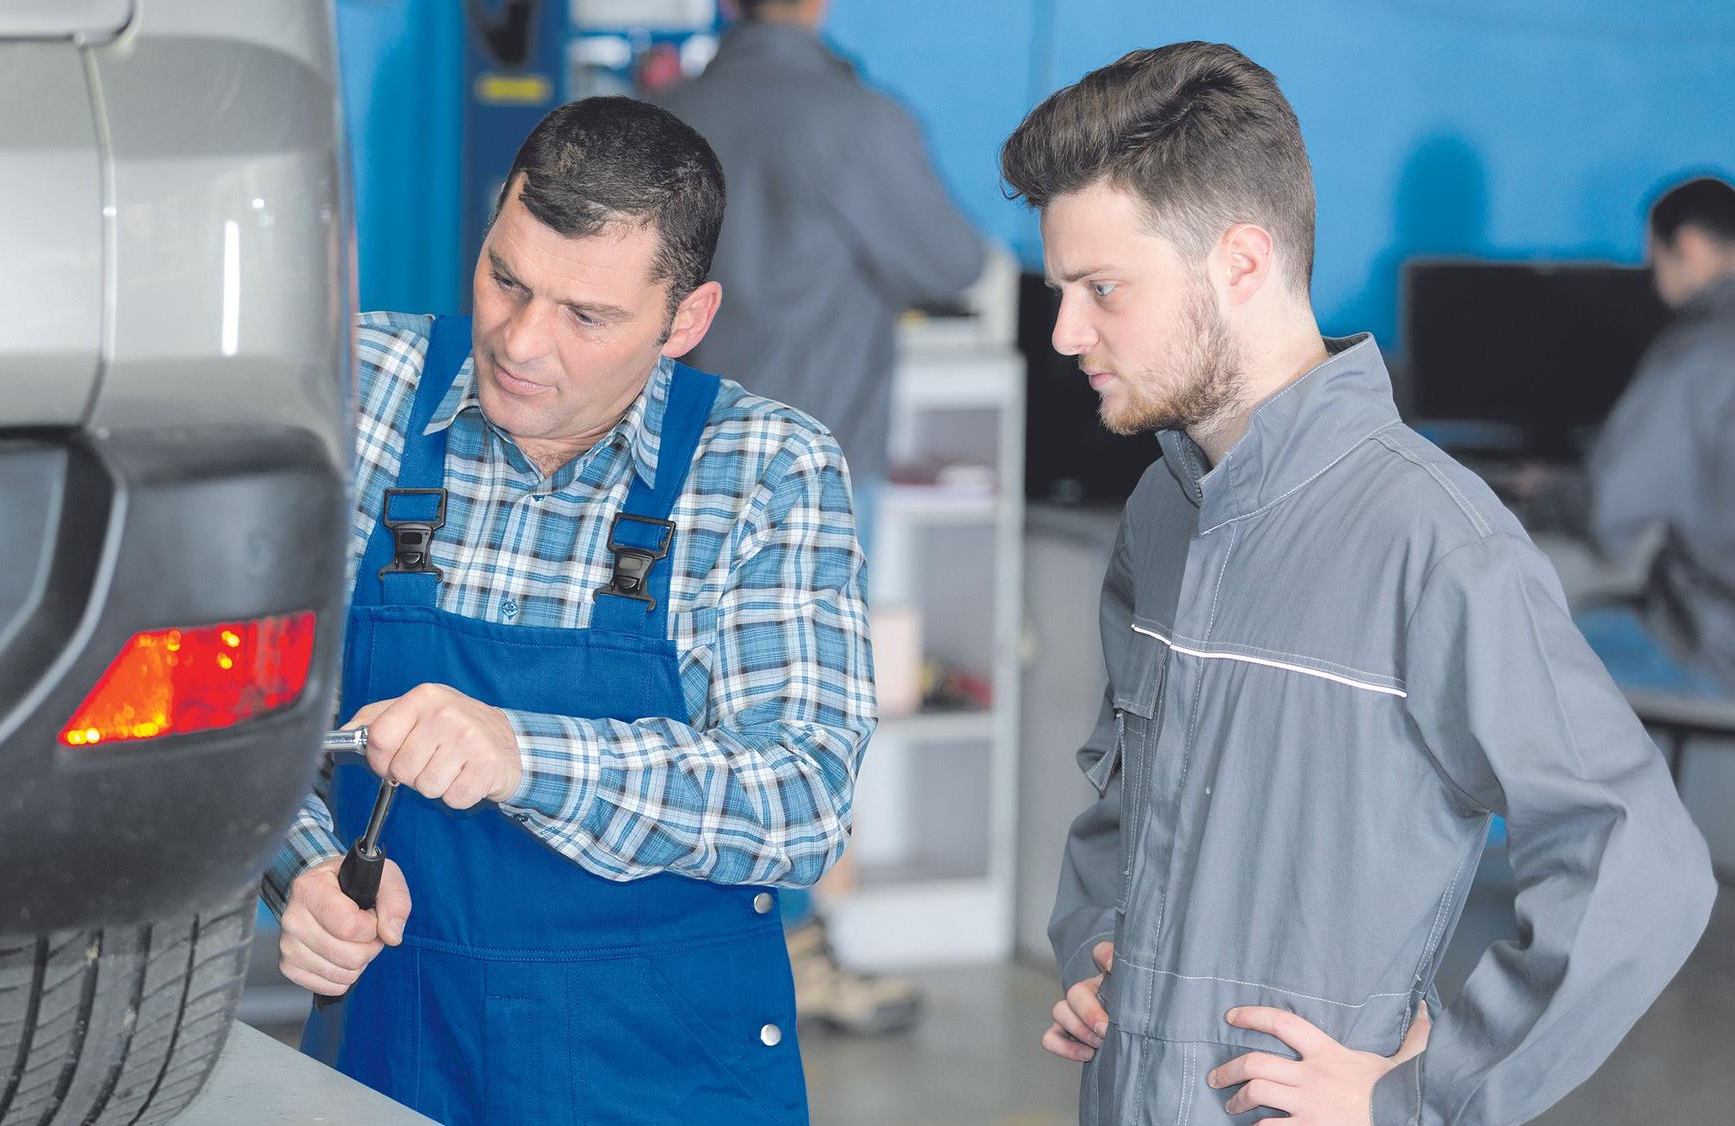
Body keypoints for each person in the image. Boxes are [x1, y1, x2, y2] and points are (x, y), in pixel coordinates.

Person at [1001, 42, 1717, 1125]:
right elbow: (1123, 803)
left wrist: (1421, 1094)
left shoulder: (1434, 541)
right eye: (1061, 289)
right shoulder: (1159, 513)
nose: (1063, 333)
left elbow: (1639, 865)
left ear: (1240, 262)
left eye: (1100, 288)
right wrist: (1098, 947)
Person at [260, 96, 875, 1125]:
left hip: (666, 1074)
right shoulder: (358, 388)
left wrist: (523, 754)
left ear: (686, 319)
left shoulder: (765, 467)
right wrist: (308, 868)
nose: (521, 344)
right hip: (398, 1055)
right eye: (505, 279)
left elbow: (802, 799)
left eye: (586, 316)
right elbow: (244, 713)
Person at [657, 0, 985, 1036]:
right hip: (816, 472)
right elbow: (952, 266)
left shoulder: (671, 111)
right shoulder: (854, 121)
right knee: (797, 723)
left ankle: (703, 954)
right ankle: (791, 958)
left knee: (687, 711)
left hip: (671, 466)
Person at [1514, 175, 1735, 698]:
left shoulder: (1697, 354)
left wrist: (1543, 493)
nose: (1653, 281)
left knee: (1525, 651)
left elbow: (1608, 511)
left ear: (1689, 249)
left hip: (1714, 645)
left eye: (1653, 262)